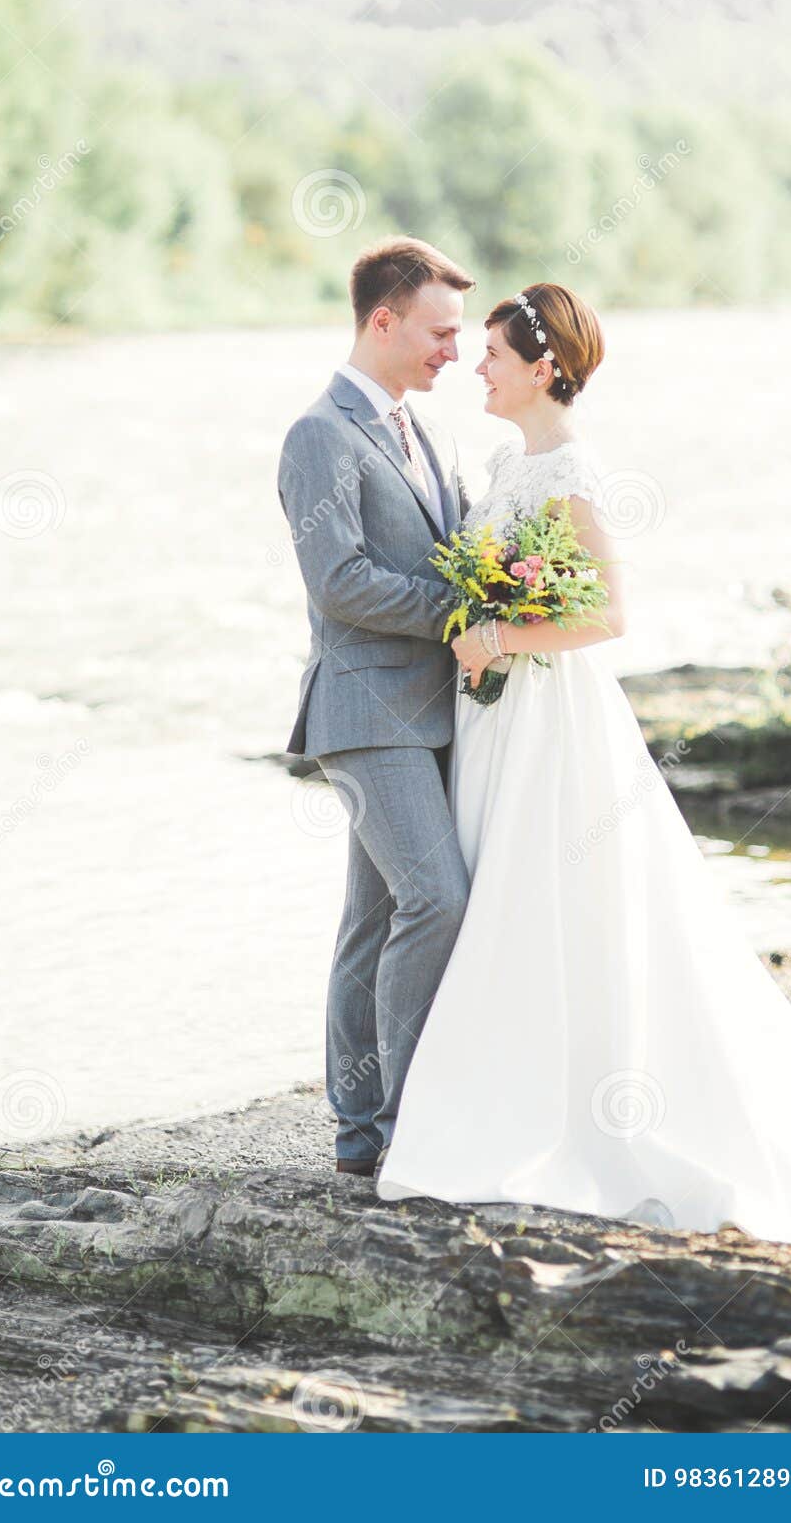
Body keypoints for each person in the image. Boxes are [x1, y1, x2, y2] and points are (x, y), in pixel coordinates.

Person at [374, 281, 791, 1245]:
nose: (478, 368)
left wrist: (500, 632)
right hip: (497, 720)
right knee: (499, 889)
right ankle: (502, 1090)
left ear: (542, 368)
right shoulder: (508, 465)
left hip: (550, 719)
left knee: (549, 895)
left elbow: (607, 619)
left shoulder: (571, 475)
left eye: (494, 357)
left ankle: (557, 1110)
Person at [277, 236, 475, 1175]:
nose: (452, 350)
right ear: (383, 320)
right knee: (437, 900)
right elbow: (342, 581)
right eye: (439, 332)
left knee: (372, 921)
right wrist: (463, 613)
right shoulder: (319, 434)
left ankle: (360, 1131)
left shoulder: (418, 427)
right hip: (365, 712)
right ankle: (404, 1121)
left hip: (434, 709)